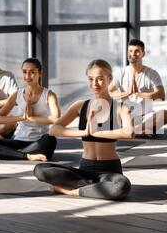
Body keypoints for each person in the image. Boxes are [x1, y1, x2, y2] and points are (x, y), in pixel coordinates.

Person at [34, 59, 134, 200]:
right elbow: (54, 129)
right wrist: (83, 133)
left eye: (100, 79)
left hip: (110, 170)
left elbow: (129, 132)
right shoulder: (80, 106)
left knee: (122, 186)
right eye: (91, 79)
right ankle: (95, 188)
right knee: (40, 170)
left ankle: (72, 191)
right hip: (84, 169)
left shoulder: (121, 107)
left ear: (110, 79)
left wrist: (97, 133)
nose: (95, 84)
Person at [0, 58, 60, 162]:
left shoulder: (49, 95)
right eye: (25, 72)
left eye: (32, 72)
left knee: (51, 140)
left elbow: (57, 119)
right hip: (19, 140)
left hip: (40, 141)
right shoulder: (17, 95)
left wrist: (32, 118)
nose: (27, 76)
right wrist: (21, 118)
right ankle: (28, 156)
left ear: (40, 73)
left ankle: (13, 153)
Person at [109, 39, 167, 136]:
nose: (133, 54)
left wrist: (138, 94)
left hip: (146, 116)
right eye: (130, 51)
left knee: (164, 114)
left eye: (137, 51)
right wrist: (127, 93)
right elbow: (109, 93)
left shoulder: (152, 73)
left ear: (143, 53)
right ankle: (140, 131)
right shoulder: (120, 73)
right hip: (126, 116)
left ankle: (134, 131)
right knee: (116, 111)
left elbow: (161, 95)